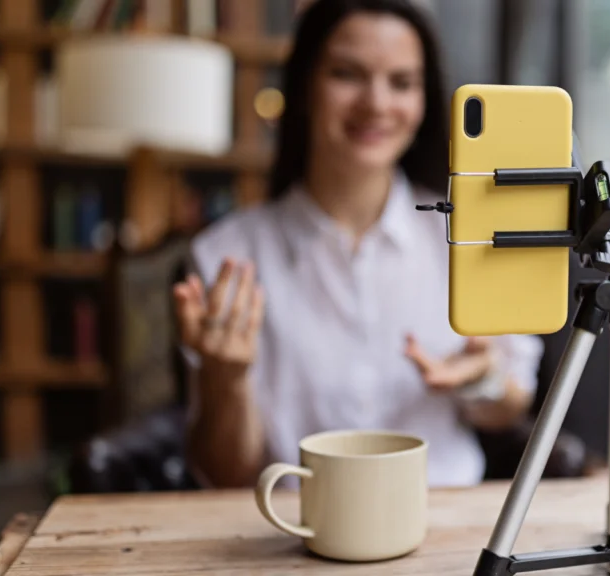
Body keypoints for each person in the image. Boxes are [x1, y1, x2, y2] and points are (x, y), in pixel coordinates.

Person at [171, 0, 544, 490]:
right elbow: (226, 474)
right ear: (305, 86)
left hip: (450, 524)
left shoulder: (470, 235)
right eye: (347, 74)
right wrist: (226, 380)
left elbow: (511, 408)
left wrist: (480, 380)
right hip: (296, 531)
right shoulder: (227, 257)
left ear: (424, 100)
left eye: (402, 82)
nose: (376, 104)